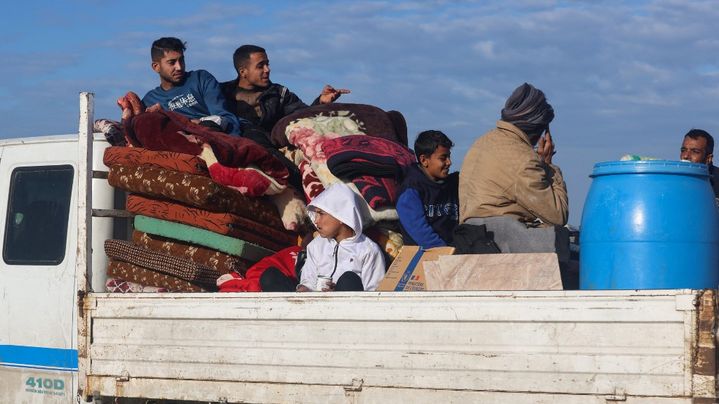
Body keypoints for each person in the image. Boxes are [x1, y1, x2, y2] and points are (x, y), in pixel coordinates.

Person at [459, 82, 569, 259]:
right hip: (500, 241)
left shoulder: (481, 143)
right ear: (539, 129)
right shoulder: (523, 159)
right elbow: (557, 215)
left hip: (471, 237)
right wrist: (549, 165)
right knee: (561, 237)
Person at [260, 183, 386, 292]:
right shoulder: (316, 245)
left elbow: (374, 293)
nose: (316, 221)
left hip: (345, 312)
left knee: (349, 279)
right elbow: (307, 281)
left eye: (321, 214)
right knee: (269, 276)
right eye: (315, 214)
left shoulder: (368, 250)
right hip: (313, 306)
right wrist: (305, 289)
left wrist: (339, 292)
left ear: (341, 216)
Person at [220, 45, 350, 138]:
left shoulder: (280, 94)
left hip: (269, 150)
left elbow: (303, 115)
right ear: (243, 72)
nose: (267, 69)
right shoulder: (220, 93)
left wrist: (321, 102)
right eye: (260, 66)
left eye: (267, 64)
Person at [142, 37, 242, 135]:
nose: (179, 67)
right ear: (156, 67)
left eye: (181, 60)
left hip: (214, 138)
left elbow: (225, 118)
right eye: (172, 63)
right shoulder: (150, 101)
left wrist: (198, 125)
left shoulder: (201, 79)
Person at [396, 130, 459, 248]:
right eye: (443, 158)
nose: (449, 162)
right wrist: (445, 252)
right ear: (424, 160)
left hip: (454, 250)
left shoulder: (453, 183)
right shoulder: (411, 189)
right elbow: (420, 231)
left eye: (449, 156)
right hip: (425, 254)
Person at [680, 129, 719, 198]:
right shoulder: (672, 180)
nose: (685, 156)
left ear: (708, 158)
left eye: (695, 151)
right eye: (683, 150)